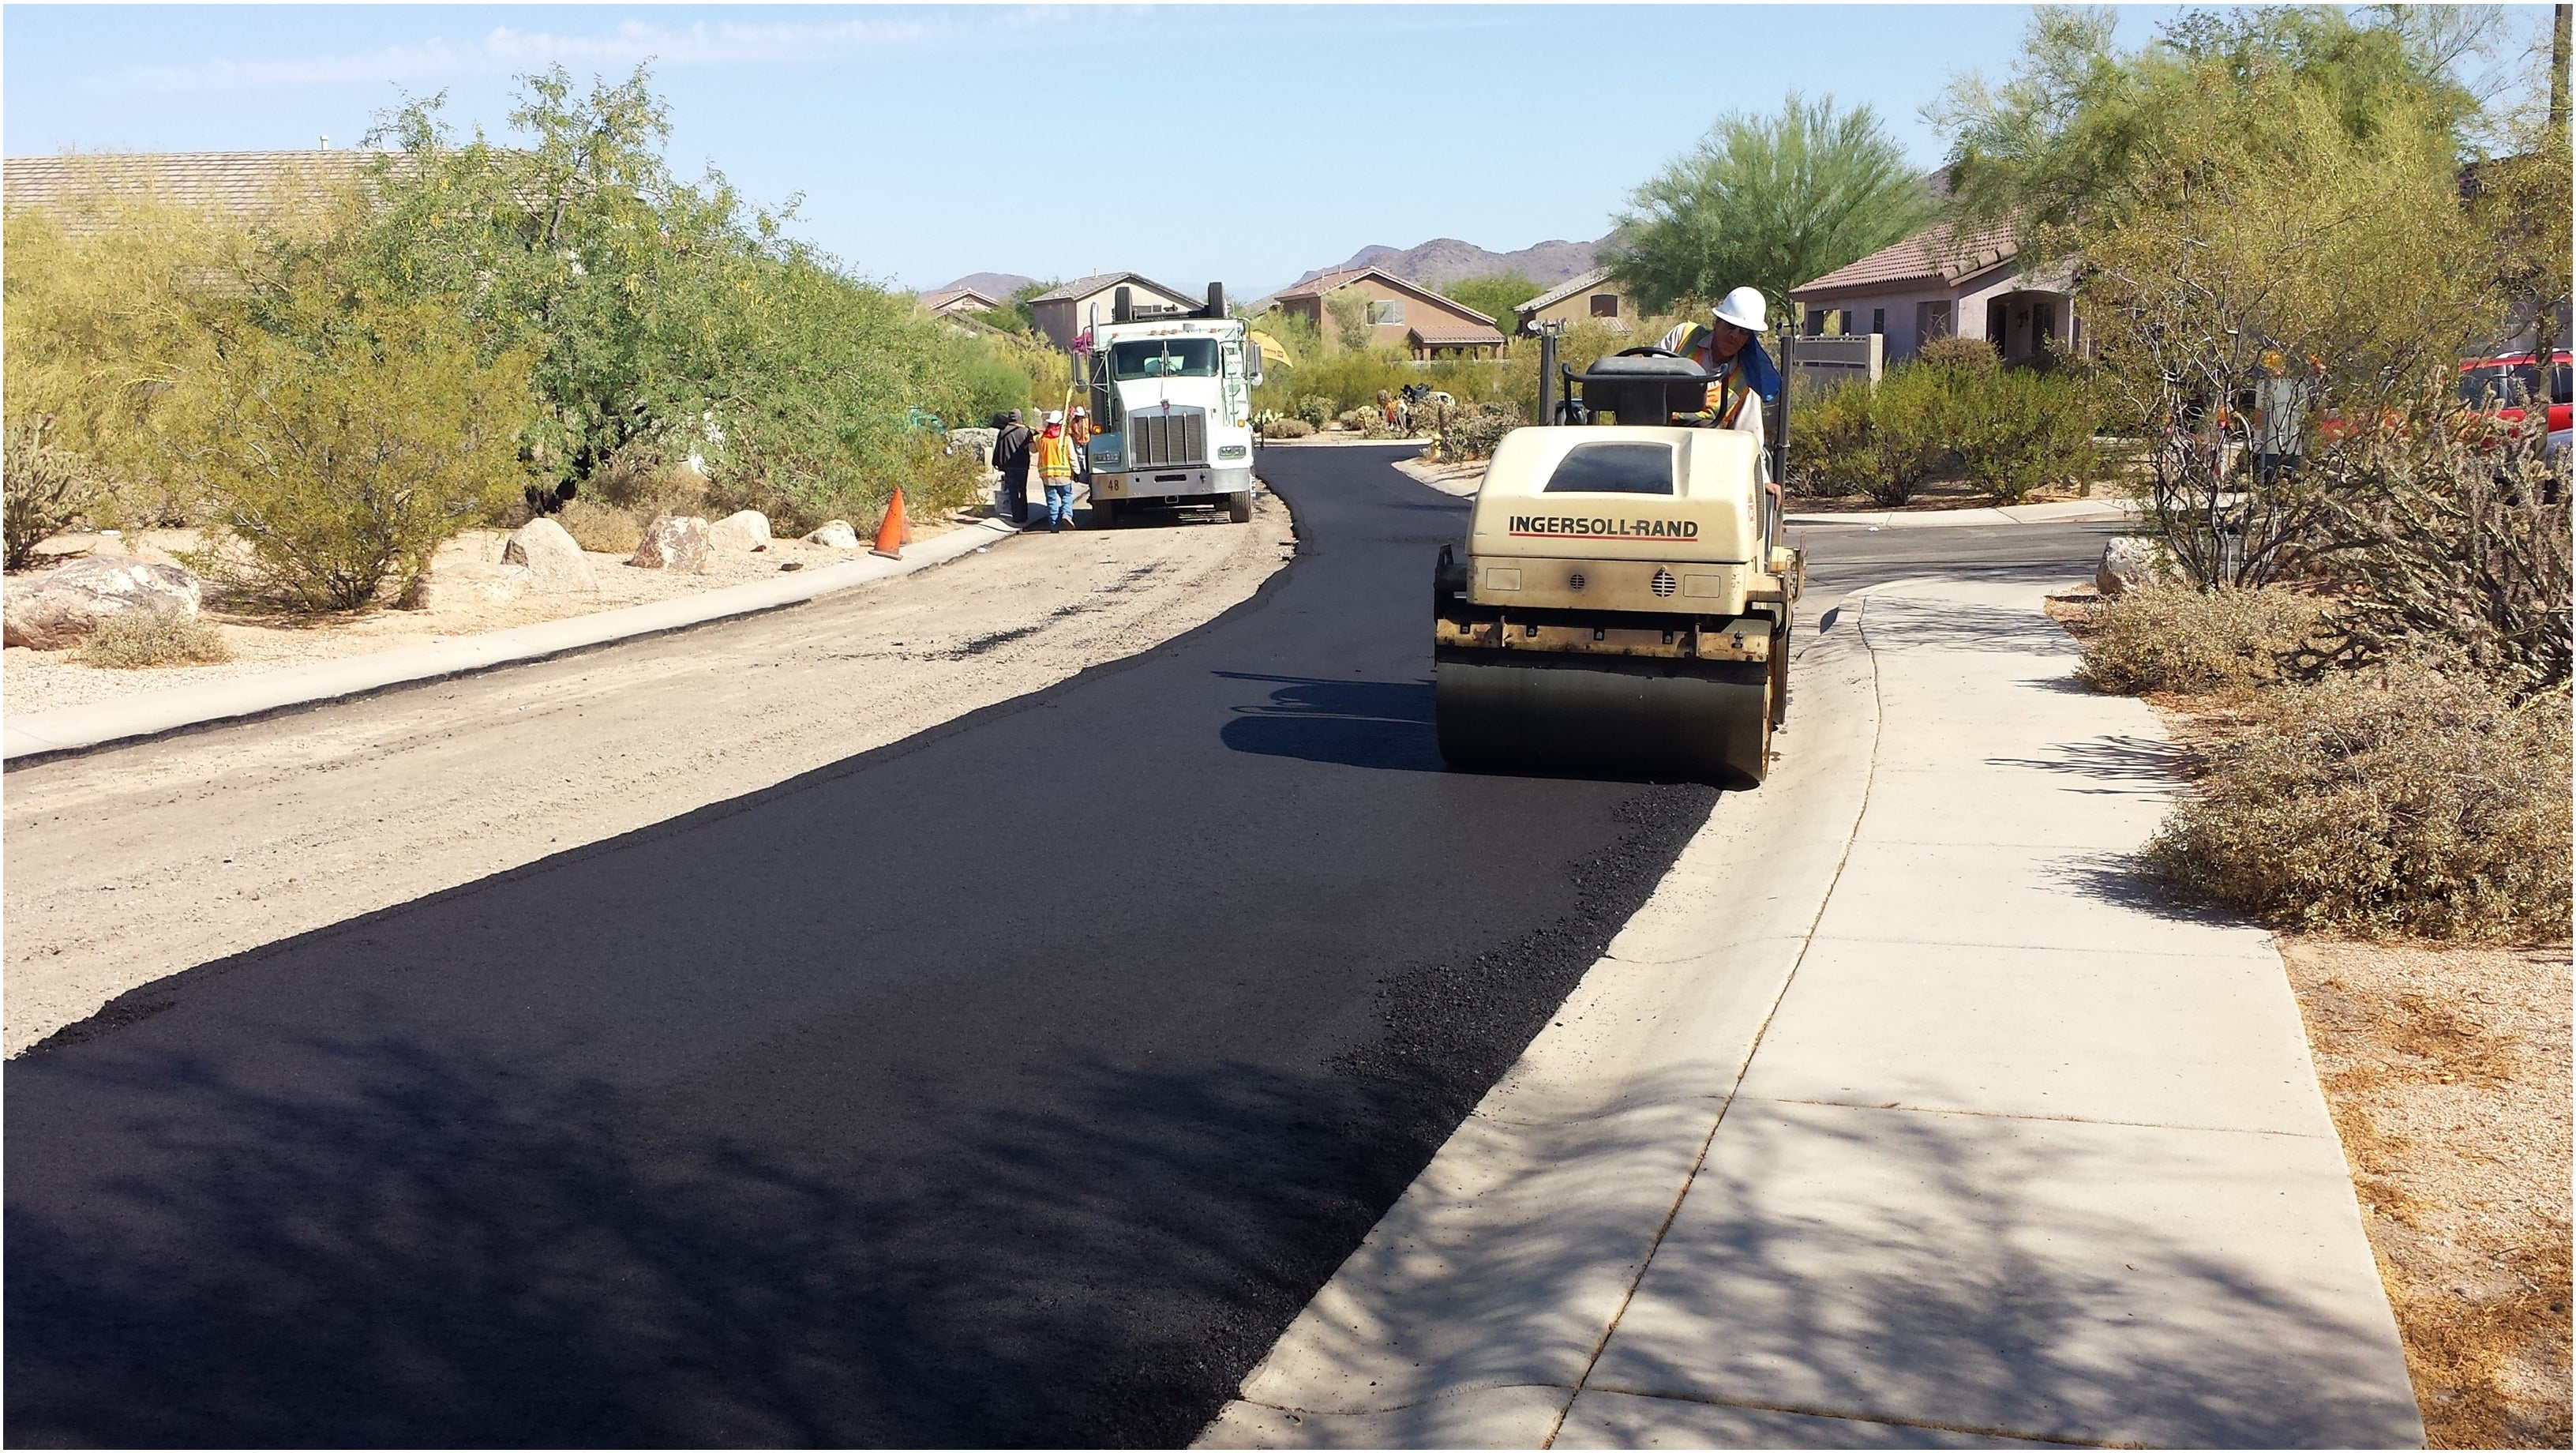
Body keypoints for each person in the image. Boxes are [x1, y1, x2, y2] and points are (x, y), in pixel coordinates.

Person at [1659, 285, 1783, 452]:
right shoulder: (1683, 336)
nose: (1735, 335)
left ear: (1749, 339)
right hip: (1655, 436)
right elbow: (1648, 378)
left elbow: (1750, 439)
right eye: (1730, 326)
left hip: (1702, 452)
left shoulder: (1747, 382)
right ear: (1716, 323)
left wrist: (1761, 478)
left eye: (1744, 331)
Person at [1034, 409, 1078, 532]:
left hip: (1047, 476)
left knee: (1052, 500)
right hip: (1064, 475)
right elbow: (1072, 457)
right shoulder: (1065, 438)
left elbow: (1032, 449)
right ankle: (1066, 515)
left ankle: (1054, 526)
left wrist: (1034, 434)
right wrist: (1078, 471)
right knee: (1067, 496)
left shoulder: (1040, 438)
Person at [992, 409, 1034, 524]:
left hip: (1009, 466)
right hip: (1023, 466)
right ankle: (1024, 515)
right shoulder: (1025, 431)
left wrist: (998, 463)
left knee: (1013, 492)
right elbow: (1031, 447)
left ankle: (1016, 516)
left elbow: (999, 448)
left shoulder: (1003, 431)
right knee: (1023, 490)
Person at [1067, 405, 1093, 482]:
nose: (1079, 418)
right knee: (1079, 457)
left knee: (1086, 456)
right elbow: (1070, 431)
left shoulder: (1087, 421)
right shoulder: (1073, 422)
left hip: (1086, 441)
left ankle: (1088, 471)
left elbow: (1090, 428)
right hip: (1077, 441)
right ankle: (1080, 471)